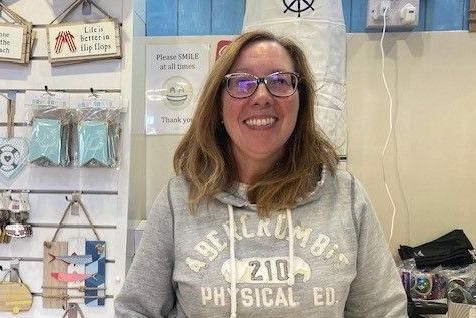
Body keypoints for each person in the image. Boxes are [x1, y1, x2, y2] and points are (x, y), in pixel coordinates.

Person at [115, 30, 407, 317]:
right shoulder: (178, 201)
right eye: (242, 83)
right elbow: (135, 310)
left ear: (300, 101)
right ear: (218, 105)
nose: (262, 96)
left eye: (280, 81)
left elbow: (384, 311)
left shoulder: (346, 197)